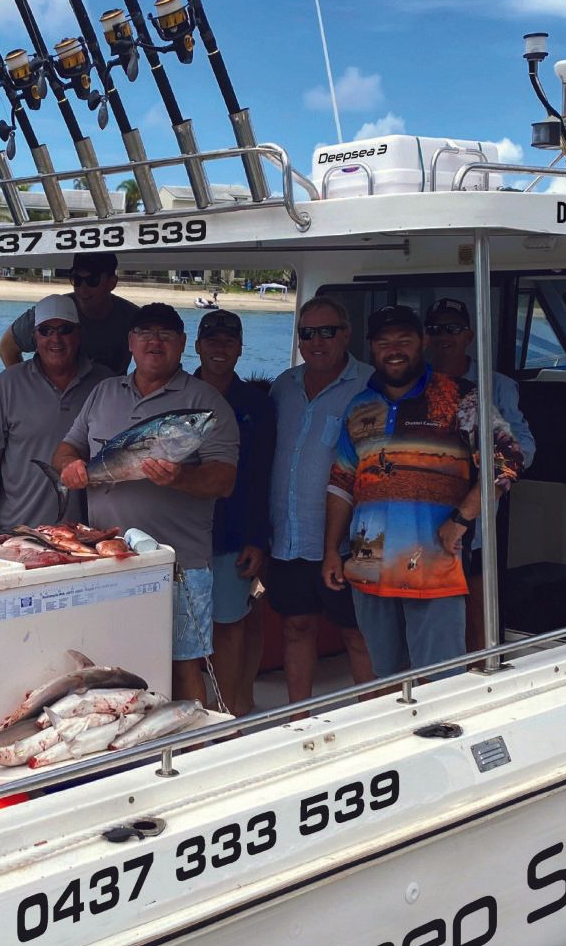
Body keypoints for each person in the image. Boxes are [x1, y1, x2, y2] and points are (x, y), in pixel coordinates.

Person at [322, 305, 523, 678]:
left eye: (404, 340)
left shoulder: (462, 397)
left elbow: (507, 459)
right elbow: (341, 483)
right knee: (386, 677)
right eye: (384, 342)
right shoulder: (359, 406)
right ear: (371, 348)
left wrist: (461, 520)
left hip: (435, 567)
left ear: (423, 342)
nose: (393, 349)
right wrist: (331, 550)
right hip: (367, 565)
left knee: (441, 682)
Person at [56, 303, 239, 703]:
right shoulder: (103, 392)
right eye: (145, 333)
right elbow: (69, 447)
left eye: (166, 335)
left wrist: (181, 477)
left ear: (182, 344)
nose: (154, 342)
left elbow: (224, 480)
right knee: (113, 659)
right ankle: (124, 744)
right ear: (131, 342)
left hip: (180, 563)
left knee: (184, 662)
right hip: (108, 555)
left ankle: (193, 747)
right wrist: (70, 467)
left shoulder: (204, 404)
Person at [265, 294, 377, 702]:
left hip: (353, 542)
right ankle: (299, 719)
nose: (316, 341)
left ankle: (371, 722)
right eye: (306, 333)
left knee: (357, 633)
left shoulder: (370, 384)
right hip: (289, 537)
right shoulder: (283, 386)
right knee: (296, 627)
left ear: (346, 334)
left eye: (327, 331)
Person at [422, 296, 537, 652]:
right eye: (436, 329)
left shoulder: (496, 385)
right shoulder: (414, 382)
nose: (444, 336)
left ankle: (478, 676)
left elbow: (525, 450)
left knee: (474, 605)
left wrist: (476, 465)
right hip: (419, 515)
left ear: (469, 335)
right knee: (425, 611)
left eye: (452, 329)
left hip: (475, 519)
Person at [192, 308, 275, 716]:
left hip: (233, 536)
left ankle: (227, 712)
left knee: (231, 626)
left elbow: (264, 478)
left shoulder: (257, 405)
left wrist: (258, 539)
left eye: (228, 340)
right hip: (181, 536)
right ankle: (190, 713)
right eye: (211, 340)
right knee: (182, 634)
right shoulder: (176, 394)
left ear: (240, 348)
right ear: (197, 346)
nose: (219, 347)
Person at [0, 295, 113, 530]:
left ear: (79, 335)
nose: (55, 339)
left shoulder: (106, 383)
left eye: (65, 330)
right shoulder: (7, 383)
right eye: (46, 330)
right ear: (34, 338)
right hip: (18, 531)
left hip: (86, 534)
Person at [0, 251, 140, 375]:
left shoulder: (133, 318)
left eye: (92, 280)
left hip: (110, 401)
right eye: (77, 280)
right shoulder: (51, 312)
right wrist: (27, 388)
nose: (83, 289)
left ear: (112, 282)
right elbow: (7, 346)